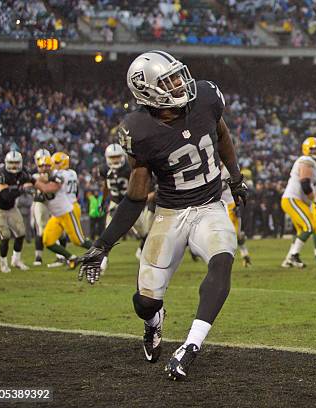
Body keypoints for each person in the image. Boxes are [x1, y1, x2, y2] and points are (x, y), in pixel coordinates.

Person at [76, 50, 248, 381]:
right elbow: (136, 196)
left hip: (210, 206)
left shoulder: (207, 97)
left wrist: (236, 178)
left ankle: (191, 346)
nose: (180, 83)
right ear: (148, 91)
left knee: (222, 258)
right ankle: (154, 322)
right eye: (169, 80)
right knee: (145, 301)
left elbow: (223, 135)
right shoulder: (138, 129)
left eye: (178, 75)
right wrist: (103, 244)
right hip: (169, 213)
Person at [34, 153, 92, 268]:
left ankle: (101, 253)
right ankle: (70, 258)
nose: (53, 166)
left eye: (56, 163)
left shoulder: (59, 174)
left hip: (69, 208)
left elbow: (47, 181)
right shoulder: (72, 173)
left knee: (77, 240)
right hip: (62, 209)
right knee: (48, 239)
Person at [101, 143, 155, 259]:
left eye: (117, 157)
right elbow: (105, 185)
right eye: (112, 157)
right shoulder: (104, 169)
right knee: (108, 232)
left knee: (145, 232)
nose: (115, 160)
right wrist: (103, 200)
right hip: (115, 202)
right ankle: (102, 260)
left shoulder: (129, 168)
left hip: (130, 203)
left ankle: (141, 250)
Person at [280, 137, 316, 268]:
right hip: (293, 198)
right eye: (313, 149)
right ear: (306, 149)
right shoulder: (306, 160)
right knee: (309, 226)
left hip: (297, 200)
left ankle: (288, 260)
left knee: (301, 231)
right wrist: (315, 200)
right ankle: (294, 256)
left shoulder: (314, 163)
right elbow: (305, 184)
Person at [0, 151, 33, 272]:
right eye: (11, 163)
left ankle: (16, 260)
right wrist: (22, 189)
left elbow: (32, 180)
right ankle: (3, 263)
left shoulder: (23, 172)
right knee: (6, 235)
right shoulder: (2, 174)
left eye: (16, 163)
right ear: (6, 163)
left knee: (21, 233)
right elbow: (5, 196)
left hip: (11, 207)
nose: (14, 166)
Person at [221, 165, 251, 266]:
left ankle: (245, 254)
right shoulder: (210, 166)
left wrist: (238, 204)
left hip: (231, 204)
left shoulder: (228, 167)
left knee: (236, 234)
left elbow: (239, 185)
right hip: (217, 205)